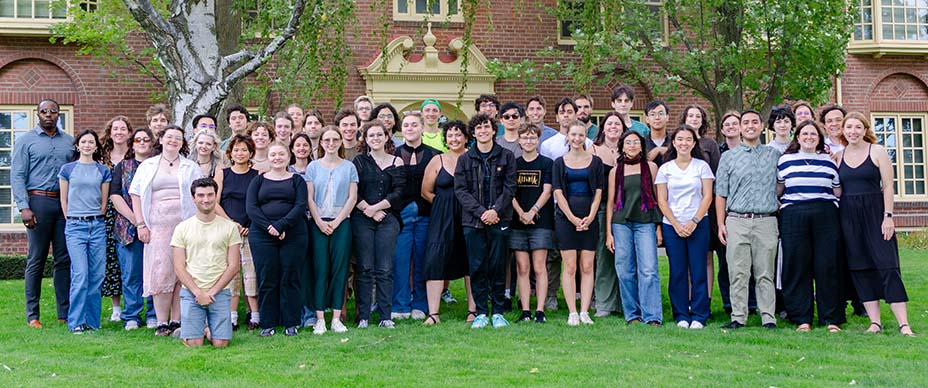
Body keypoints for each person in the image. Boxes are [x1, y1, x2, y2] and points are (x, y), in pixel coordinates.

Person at [837, 112, 914, 337]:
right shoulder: (838, 157)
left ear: (865, 129)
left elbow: (888, 186)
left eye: (857, 127)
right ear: (843, 130)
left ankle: (903, 323)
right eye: (848, 127)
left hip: (876, 213)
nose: (853, 131)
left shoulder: (877, 151)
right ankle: (875, 322)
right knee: (860, 267)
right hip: (849, 216)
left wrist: (888, 216)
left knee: (887, 265)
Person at [130, 125, 202, 336]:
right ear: (160, 139)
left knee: (181, 271)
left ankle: (176, 321)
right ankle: (161, 321)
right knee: (161, 271)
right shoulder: (148, 165)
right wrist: (141, 224)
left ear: (182, 143)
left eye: (177, 138)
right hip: (157, 226)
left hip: (184, 224)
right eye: (169, 137)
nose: (173, 141)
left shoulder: (190, 166)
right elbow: (135, 194)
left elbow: (199, 195)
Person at [776, 121, 845, 332]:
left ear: (819, 138)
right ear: (797, 137)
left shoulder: (828, 161)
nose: (809, 137)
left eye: (813, 134)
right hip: (794, 214)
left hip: (825, 214)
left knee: (828, 265)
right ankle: (801, 318)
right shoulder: (785, 161)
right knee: (797, 265)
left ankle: (831, 318)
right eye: (804, 133)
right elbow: (779, 189)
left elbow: (837, 191)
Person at [716, 110, 781, 330]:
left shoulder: (773, 155)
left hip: (766, 221)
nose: (750, 126)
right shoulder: (728, 157)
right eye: (746, 122)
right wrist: (721, 223)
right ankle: (738, 316)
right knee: (738, 271)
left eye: (755, 122)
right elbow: (720, 193)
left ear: (762, 126)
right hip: (737, 220)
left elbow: (781, 185)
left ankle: (768, 317)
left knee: (765, 272)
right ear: (741, 127)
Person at [12, 99, 74, 328]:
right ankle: (32, 315)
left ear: (59, 115)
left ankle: (64, 313)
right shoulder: (26, 141)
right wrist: (23, 206)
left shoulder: (69, 142)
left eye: (53, 112)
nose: (49, 115)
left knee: (63, 260)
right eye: (44, 111)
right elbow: (17, 175)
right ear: (38, 114)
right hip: (37, 203)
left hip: (63, 205)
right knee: (36, 259)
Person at [455, 113, 517, 329]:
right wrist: (482, 212)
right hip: (473, 222)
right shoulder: (465, 159)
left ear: (493, 130)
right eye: (478, 128)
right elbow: (461, 191)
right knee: (477, 265)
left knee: (499, 265)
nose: (483, 131)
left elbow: (510, 187)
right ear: (473, 133)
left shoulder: (507, 156)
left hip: (500, 219)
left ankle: (498, 311)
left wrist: (495, 211)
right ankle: (481, 311)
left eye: (486, 127)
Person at [246, 141, 309, 337]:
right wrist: (270, 228)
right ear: (268, 157)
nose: (277, 158)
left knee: (290, 276)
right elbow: (251, 208)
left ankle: (291, 322)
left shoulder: (297, 181)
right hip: (262, 235)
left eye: (281, 154)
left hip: (294, 233)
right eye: (273, 154)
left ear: (288, 156)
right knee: (267, 277)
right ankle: (268, 323)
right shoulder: (258, 180)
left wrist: (281, 226)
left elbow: (300, 206)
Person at [655, 125, 714, 329]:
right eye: (680, 139)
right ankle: (680, 313)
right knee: (678, 271)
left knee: (698, 269)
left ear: (694, 143)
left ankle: (699, 314)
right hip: (672, 225)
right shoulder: (666, 169)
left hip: (698, 223)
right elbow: (662, 200)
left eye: (688, 139)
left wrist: (693, 222)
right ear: (674, 142)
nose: (684, 143)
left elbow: (708, 196)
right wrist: (676, 224)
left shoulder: (701, 166)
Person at [172, 178, 242, 347]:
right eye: (201, 195)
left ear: (216, 196)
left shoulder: (229, 227)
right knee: (194, 344)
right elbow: (179, 267)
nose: (206, 199)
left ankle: (207, 329)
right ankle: (193, 330)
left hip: (220, 292)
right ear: (193, 198)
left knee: (220, 344)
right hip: (191, 292)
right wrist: (198, 292)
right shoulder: (182, 228)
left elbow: (233, 266)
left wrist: (212, 292)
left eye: (210, 195)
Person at [352, 121, 406, 328]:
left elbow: (399, 192)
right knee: (365, 267)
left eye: (379, 135)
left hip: (388, 218)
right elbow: (354, 192)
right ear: (365, 139)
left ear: (386, 137)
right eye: (371, 136)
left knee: (384, 268)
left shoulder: (397, 162)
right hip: (362, 218)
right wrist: (369, 210)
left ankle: (385, 316)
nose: (375, 139)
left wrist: (378, 208)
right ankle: (364, 316)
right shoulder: (359, 162)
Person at [606, 131, 663, 326]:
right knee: (624, 270)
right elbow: (611, 202)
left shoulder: (651, 167)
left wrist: (658, 227)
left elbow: (657, 199)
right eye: (628, 142)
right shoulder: (615, 171)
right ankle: (632, 314)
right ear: (622, 146)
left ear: (641, 145)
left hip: (645, 222)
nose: (632, 145)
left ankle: (652, 315)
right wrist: (608, 233)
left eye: (636, 142)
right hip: (621, 223)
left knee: (648, 269)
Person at [421, 120, 476, 324]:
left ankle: (473, 310)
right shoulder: (437, 161)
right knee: (435, 259)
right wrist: (443, 203)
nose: (454, 139)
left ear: (466, 138)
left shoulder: (473, 159)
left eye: (458, 135)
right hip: (442, 216)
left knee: (470, 260)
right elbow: (425, 191)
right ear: (445, 139)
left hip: (469, 215)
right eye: (450, 135)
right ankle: (433, 314)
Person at [306, 128, 359, 334]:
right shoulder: (313, 167)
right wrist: (319, 221)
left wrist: (336, 222)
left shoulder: (349, 167)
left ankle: (336, 317)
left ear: (340, 142)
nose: (331, 143)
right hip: (318, 223)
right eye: (326, 140)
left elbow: (352, 198)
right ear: (321, 142)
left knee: (340, 270)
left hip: (341, 223)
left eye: (335, 139)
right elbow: (310, 197)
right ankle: (320, 318)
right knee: (320, 270)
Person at [552, 120, 604, 326]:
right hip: (566, 219)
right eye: (573, 135)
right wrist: (572, 218)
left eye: (581, 135)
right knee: (571, 266)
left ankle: (585, 311)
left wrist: (591, 216)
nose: (576, 139)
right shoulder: (558, 162)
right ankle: (572, 311)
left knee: (588, 265)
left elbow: (599, 190)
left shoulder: (596, 161)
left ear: (586, 137)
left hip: (589, 217)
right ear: (567, 136)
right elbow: (557, 192)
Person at [59, 130, 111, 333]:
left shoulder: (103, 171)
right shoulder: (68, 169)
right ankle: (76, 322)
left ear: (96, 146)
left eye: (91, 142)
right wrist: (71, 218)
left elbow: (104, 202)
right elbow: (63, 199)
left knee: (96, 275)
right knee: (80, 274)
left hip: (96, 226)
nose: (87, 145)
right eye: (84, 142)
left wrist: (96, 216)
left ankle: (92, 321)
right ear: (78, 145)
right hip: (75, 226)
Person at [392, 112, 439, 320]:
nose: (410, 128)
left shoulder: (434, 154)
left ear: (422, 128)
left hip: (425, 214)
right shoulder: (393, 153)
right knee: (400, 259)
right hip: (400, 215)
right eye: (406, 125)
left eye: (414, 125)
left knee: (422, 259)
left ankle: (421, 304)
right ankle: (400, 305)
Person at [110, 127, 158, 330]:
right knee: (131, 273)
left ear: (152, 143)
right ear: (132, 143)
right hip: (128, 228)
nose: (141, 143)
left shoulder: (159, 165)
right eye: (137, 140)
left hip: (156, 226)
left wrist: (147, 222)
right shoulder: (123, 166)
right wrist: (136, 220)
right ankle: (131, 315)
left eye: (146, 140)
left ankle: (154, 314)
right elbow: (115, 196)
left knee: (155, 271)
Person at [214, 135, 261, 331]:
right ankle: (231, 317)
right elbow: (214, 202)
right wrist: (231, 223)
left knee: (251, 274)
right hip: (227, 229)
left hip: (251, 230)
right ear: (230, 153)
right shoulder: (222, 173)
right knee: (231, 273)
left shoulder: (257, 175)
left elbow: (260, 202)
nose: (240, 153)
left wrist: (249, 225)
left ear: (251, 153)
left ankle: (255, 316)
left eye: (244, 150)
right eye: (236, 150)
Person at [509, 123, 554, 323]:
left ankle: (540, 311)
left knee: (539, 266)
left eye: (532, 138)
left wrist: (533, 211)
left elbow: (547, 190)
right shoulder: (513, 163)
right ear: (519, 140)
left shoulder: (546, 163)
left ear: (538, 140)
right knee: (522, 267)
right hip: (517, 223)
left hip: (541, 221)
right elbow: (509, 192)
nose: (528, 141)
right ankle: (525, 311)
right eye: (525, 138)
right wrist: (521, 212)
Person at [679, 104, 722, 311]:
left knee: (705, 256)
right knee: (686, 258)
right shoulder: (678, 142)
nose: (694, 119)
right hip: (681, 211)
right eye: (690, 115)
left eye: (698, 116)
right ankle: (687, 300)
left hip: (706, 209)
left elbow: (716, 177)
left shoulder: (710, 144)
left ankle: (705, 299)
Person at [589, 111, 625, 317]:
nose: (613, 127)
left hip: (626, 210)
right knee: (604, 257)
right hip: (603, 209)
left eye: (617, 124)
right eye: (609, 123)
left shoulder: (631, 148)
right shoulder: (593, 150)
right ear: (603, 127)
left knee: (626, 257)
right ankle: (604, 303)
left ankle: (624, 302)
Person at [101, 116, 132, 322]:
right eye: (115, 129)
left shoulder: (136, 155)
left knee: (131, 259)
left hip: (131, 210)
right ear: (110, 132)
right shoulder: (101, 157)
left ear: (129, 133)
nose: (119, 132)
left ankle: (136, 304)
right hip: (109, 212)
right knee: (112, 257)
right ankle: (116, 307)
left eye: (123, 129)